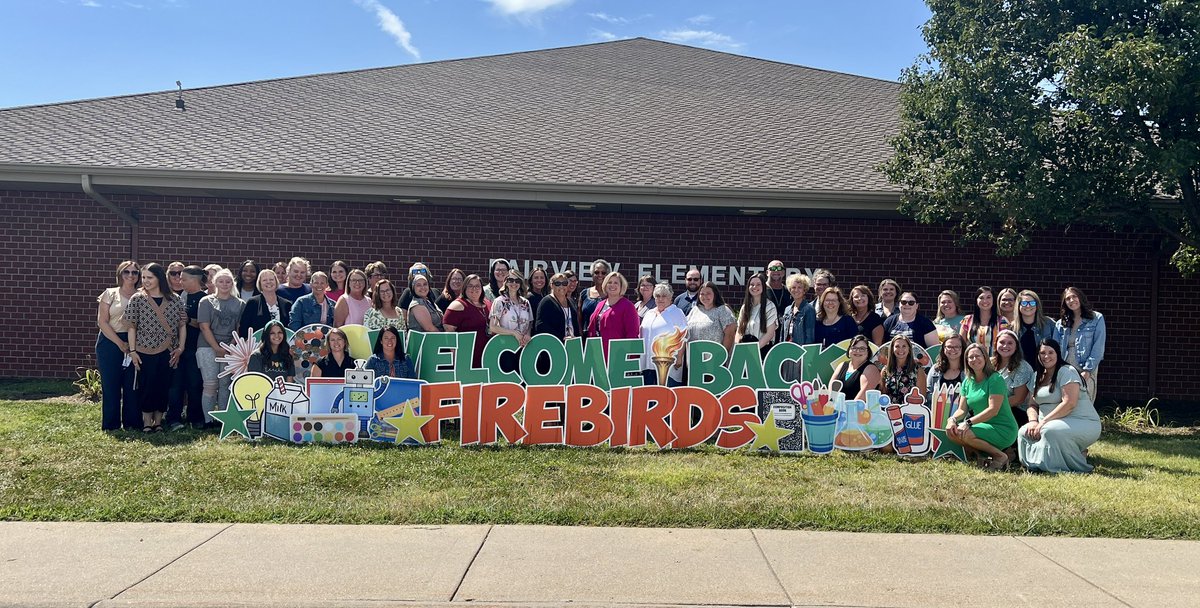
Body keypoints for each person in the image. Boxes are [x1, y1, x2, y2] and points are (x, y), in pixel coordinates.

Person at [1019, 338, 1102, 473]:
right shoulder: (1037, 376)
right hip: (1050, 423)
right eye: (1042, 353)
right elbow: (1032, 405)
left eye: (1051, 352)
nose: (1046, 356)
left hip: (1082, 421)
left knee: (1049, 431)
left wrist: (1043, 422)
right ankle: (1034, 465)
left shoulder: (1066, 371)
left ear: (1058, 353)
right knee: (1024, 431)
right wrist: (1034, 422)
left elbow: (1069, 403)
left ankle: (1063, 465)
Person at [125, 263, 187, 433]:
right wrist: (133, 351)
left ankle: (158, 422)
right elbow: (131, 327)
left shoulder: (175, 299)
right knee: (146, 386)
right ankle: (146, 422)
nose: (145, 281)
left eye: (149, 277)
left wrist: (180, 348)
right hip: (144, 350)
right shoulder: (137, 299)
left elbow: (182, 325)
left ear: (159, 278)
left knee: (163, 386)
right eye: (143, 277)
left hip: (169, 351)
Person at [944, 343, 1019, 470]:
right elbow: (962, 410)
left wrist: (967, 423)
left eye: (978, 356)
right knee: (950, 432)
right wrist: (952, 420)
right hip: (982, 426)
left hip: (1003, 428)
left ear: (985, 358)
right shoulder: (967, 382)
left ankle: (1000, 456)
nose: (974, 359)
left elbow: (993, 410)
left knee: (967, 433)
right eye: (970, 357)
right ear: (966, 361)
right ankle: (981, 456)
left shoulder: (995, 379)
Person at [96, 260, 140, 431]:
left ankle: (132, 423)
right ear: (120, 274)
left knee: (132, 385)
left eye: (134, 272)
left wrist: (130, 345)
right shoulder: (110, 293)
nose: (130, 275)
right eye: (126, 272)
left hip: (134, 343)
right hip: (110, 341)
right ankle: (111, 424)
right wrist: (120, 343)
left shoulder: (142, 294)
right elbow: (102, 321)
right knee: (111, 384)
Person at [197, 268, 244, 425]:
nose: (225, 284)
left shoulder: (240, 303)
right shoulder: (206, 302)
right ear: (214, 282)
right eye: (221, 281)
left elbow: (239, 328)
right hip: (207, 346)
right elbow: (204, 327)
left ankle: (223, 420)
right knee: (210, 384)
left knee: (225, 384)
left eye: (228, 281)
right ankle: (208, 420)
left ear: (233, 283)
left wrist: (229, 346)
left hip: (231, 348)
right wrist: (217, 347)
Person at [165, 265, 208, 430]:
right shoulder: (178, 297)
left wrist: (189, 320)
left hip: (195, 348)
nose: (179, 281)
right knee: (175, 385)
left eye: (184, 278)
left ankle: (195, 418)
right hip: (176, 348)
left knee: (195, 384)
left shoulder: (205, 298)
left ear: (195, 279)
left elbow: (205, 325)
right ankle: (173, 418)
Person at [1055, 287, 1106, 398]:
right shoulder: (1060, 324)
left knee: (1085, 402)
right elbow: (1055, 349)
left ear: (1080, 297)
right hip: (1065, 368)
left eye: (1074, 296)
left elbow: (1098, 347)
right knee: (1065, 402)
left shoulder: (1096, 318)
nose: (1071, 300)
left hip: (1085, 367)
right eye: (1068, 298)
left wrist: (1087, 370)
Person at [639, 283, 688, 385]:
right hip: (647, 362)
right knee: (649, 394)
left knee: (665, 395)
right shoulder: (649, 313)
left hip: (668, 363)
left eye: (664, 296)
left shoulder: (676, 313)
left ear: (670, 297)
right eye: (658, 296)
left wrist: (679, 358)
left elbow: (683, 336)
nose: (660, 299)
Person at [586, 270, 640, 359]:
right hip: (598, 354)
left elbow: (632, 334)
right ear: (605, 285)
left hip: (617, 356)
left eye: (616, 283)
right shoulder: (600, 304)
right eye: (609, 282)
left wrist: (628, 357)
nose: (612, 285)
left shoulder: (627, 306)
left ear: (621, 286)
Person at [993, 329, 1035, 439]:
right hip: (993, 408)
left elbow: (1018, 399)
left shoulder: (1022, 367)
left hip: (1015, 412)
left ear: (1016, 346)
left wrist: (992, 408)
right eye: (1002, 342)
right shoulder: (990, 364)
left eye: (1010, 343)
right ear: (995, 344)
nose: (1005, 346)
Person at [489, 269, 533, 373]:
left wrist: (528, 333)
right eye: (511, 280)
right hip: (506, 348)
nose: (514, 283)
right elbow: (493, 327)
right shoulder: (500, 301)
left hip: (524, 347)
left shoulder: (525, 302)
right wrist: (513, 333)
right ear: (506, 282)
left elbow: (530, 322)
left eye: (517, 281)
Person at [444, 273, 491, 366]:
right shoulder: (458, 305)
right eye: (470, 286)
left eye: (477, 286)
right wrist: (454, 355)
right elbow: (448, 330)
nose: (474, 289)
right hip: (466, 356)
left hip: (486, 354)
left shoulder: (488, 303)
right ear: (464, 288)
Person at [686, 281, 737, 354]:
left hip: (715, 358)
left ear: (715, 295)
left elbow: (730, 335)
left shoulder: (723, 310)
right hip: (695, 358)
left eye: (708, 293)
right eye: (702, 294)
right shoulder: (695, 310)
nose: (705, 296)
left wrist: (723, 355)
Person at [734, 272, 778, 356]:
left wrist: (754, 350)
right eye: (752, 284)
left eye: (758, 284)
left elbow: (769, 334)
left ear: (763, 287)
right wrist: (738, 346)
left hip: (762, 351)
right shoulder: (745, 307)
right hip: (744, 351)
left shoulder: (770, 307)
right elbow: (739, 331)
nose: (755, 287)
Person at [959, 286, 1010, 356]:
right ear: (976, 300)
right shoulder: (967, 320)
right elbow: (961, 344)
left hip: (995, 363)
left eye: (988, 297)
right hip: (973, 362)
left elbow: (1006, 344)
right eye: (981, 298)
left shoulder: (1002, 321)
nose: (985, 301)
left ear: (993, 300)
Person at [240, 269, 292, 335]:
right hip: (259, 343)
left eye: (271, 279)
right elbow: (244, 327)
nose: (268, 282)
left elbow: (289, 328)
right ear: (260, 283)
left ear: (276, 282)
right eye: (264, 280)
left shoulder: (286, 304)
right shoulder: (253, 303)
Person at [831, 335, 881, 401]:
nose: (857, 351)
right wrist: (831, 404)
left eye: (862, 349)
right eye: (854, 348)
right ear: (849, 350)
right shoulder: (842, 365)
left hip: (857, 409)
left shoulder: (871, 369)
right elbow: (832, 387)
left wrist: (849, 408)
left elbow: (863, 396)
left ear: (868, 352)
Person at [1016, 289, 1056, 372]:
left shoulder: (1049, 324)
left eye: (1032, 303)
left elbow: (1058, 348)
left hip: (1044, 372)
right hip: (1020, 374)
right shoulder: (1012, 328)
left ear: (1037, 305)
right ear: (1018, 306)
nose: (1028, 306)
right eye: (1024, 303)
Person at [534, 273, 582, 340]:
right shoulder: (546, 302)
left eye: (564, 283)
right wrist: (561, 337)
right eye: (557, 283)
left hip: (572, 344)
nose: (561, 286)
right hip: (555, 345)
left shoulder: (571, 302)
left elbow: (576, 325)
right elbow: (541, 326)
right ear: (552, 285)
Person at [881, 334, 927, 402]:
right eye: (897, 346)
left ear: (909, 349)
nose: (900, 350)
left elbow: (921, 397)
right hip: (889, 409)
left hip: (910, 410)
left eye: (904, 346)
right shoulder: (885, 370)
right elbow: (883, 395)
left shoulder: (918, 371)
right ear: (892, 349)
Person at [927, 334, 967, 412]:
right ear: (943, 349)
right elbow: (928, 394)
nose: (952, 349)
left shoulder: (969, 371)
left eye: (957, 347)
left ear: (963, 349)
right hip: (937, 415)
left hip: (962, 417)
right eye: (949, 347)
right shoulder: (935, 370)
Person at [779, 274, 815, 346]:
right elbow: (782, 334)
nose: (796, 290)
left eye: (799, 287)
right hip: (787, 348)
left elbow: (810, 336)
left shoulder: (809, 309)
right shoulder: (787, 309)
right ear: (790, 290)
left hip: (800, 350)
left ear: (804, 290)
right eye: (793, 287)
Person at [395, 262, 431, 327]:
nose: (419, 275)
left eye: (423, 272)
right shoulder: (408, 293)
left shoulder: (435, 292)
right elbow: (403, 317)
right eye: (415, 273)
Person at [763, 260, 792, 341]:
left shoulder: (789, 291)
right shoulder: (760, 290)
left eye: (779, 268)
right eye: (773, 268)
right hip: (764, 335)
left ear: (783, 272)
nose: (776, 271)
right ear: (767, 272)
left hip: (784, 336)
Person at [579, 259, 611, 323]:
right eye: (596, 272)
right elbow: (579, 316)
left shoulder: (612, 294)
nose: (600, 275)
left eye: (603, 273)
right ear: (592, 274)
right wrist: (580, 332)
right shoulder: (584, 293)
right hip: (586, 332)